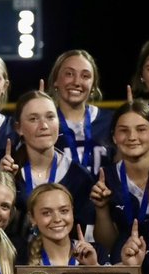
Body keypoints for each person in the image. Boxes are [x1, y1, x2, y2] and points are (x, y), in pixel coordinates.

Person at [0, 90, 95, 239]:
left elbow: (85, 236)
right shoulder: (6, 173)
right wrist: (2, 186)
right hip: (15, 259)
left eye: (50, 117)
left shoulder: (79, 177)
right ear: (19, 128)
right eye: (33, 119)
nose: (43, 125)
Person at [90, 97, 149, 250]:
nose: (132, 137)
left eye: (141, 129)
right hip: (123, 262)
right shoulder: (106, 179)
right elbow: (106, 245)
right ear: (114, 137)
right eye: (123, 130)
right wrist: (101, 210)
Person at [47, 49, 113, 178]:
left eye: (85, 76)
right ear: (55, 80)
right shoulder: (44, 124)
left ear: (93, 86)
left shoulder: (110, 122)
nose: (76, 82)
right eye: (69, 74)